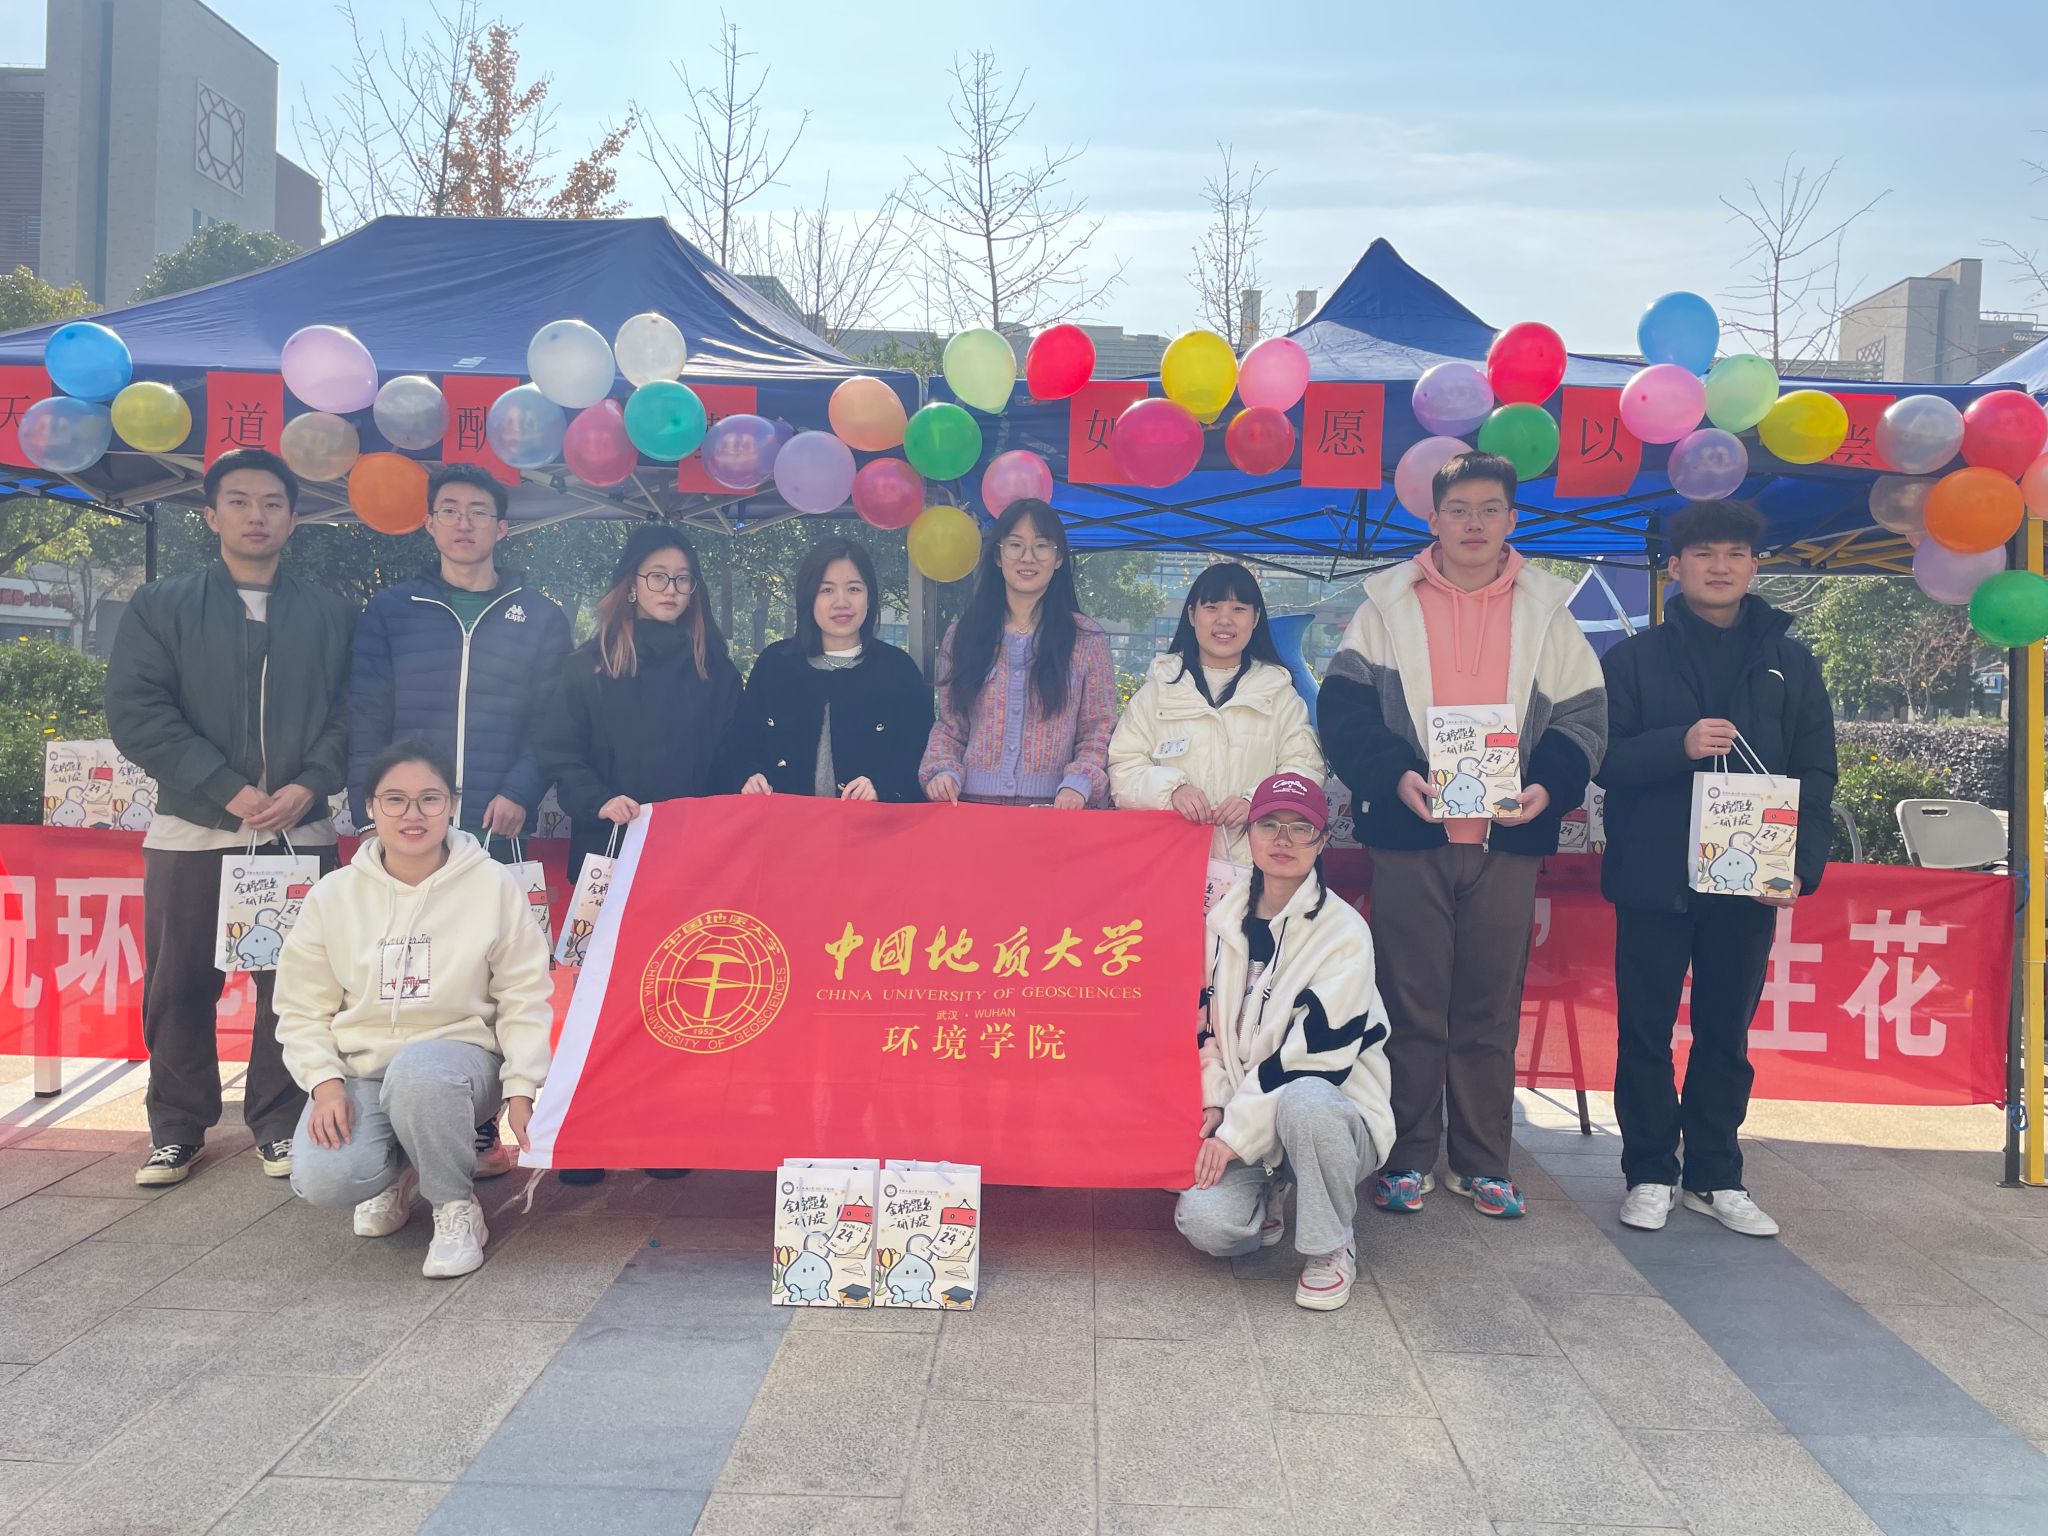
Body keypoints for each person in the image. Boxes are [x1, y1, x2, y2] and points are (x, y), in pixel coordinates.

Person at [1319, 451, 1606, 1220]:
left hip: (1506, 841)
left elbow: (1584, 715)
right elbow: (1342, 708)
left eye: (1489, 509)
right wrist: (1392, 775)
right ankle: (1407, 1156)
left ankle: (1482, 1162)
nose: (1473, 524)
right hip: (1410, 835)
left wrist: (1549, 786)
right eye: (1458, 510)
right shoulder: (1386, 605)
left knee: (1489, 1006)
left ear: (1512, 518)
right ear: (1433, 518)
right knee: (1408, 1002)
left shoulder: (1548, 610)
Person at [105, 448, 353, 1187]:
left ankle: (280, 1123)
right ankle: (177, 1128)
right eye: (239, 501)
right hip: (194, 831)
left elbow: (353, 713)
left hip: (297, 834)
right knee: (179, 984)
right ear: (211, 515)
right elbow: (138, 712)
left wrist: (310, 784)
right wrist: (224, 788)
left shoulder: (330, 613)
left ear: (294, 518)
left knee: (295, 987)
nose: (256, 515)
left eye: (272, 503)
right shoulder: (163, 605)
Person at [1596, 500, 1836, 1238]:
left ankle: (1715, 1174)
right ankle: (1648, 1171)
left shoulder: (1790, 662)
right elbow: (1604, 760)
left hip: (1749, 878)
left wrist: (1801, 865)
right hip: (1653, 875)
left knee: (1726, 1034)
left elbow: (1816, 770)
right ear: (1675, 567)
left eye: (1735, 553)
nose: (1720, 566)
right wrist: (1679, 744)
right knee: (1645, 1030)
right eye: (1704, 554)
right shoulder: (1633, 660)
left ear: (1754, 566)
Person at [347, 464, 568, 1179]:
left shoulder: (539, 615)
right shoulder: (394, 608)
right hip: (411, 824)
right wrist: (372, 806)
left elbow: (553, 720)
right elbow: (366, 714)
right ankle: (397, 1126)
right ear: (430, 523)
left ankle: (478, 1123)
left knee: (493, 973)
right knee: (408, 967)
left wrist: (521, 788)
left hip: (497, 823)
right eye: (449, 510)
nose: (464, 522)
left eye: (478, 511)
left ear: (502, 528)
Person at [276, 738, 553, 1278]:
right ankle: (403, 1171)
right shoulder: (334, 895)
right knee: (325, 1178)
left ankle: (455, 1207)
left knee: (420, 1074)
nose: (413, 814)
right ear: (370, 807)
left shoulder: (492, 885)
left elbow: (523, 994)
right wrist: (324, 1084)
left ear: (452, 804)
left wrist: (521, 1088)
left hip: (459, 1064)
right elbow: (301, 1006)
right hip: (366, 1070)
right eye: (395, 800)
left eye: (430, 799)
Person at [535, 524, 742, 1187]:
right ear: (629, 585)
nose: (670, 589)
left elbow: (731, 759)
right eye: (657, 576)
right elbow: (558, 752)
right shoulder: (586, 665)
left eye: (682, 578)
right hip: (607, 852)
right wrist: (598, 800)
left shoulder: (715, 670)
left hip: (687, 861)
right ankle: (586, 1135)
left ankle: (661, 1127)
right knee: (596, 997)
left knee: (671, 998)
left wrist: (736, 799)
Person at [1175, 773, 1394, 1311]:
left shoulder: (1344, 932)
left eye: (1301, 829)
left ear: (1323, 841)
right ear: (1249, 833)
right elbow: (1204, 1024)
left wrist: (1234, 1136)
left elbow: (1315, 1058)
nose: (1283, 839)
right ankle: (1273, 1186)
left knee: (1308, 1101)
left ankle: (1329, 1245)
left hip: (1332, 1116)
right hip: (1246, 1111)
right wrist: (1214, 1100)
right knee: (1206, 1226)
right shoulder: (1220, 921)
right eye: (1270, 824)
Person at [1108, 561, 1324, 873]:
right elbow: (1123, 768)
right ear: (1192, 615)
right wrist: (1171, 790)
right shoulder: (1157, 692)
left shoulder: (1279, 695)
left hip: (1255, 868)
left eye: (1238, 609)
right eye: (1211, 607)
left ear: (1256, 618)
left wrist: (1257, 802)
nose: (1224, 620)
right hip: (1170, 865)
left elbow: (1305, 769)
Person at [920, 499, 1115, 808]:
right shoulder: (963, 635)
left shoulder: (1085, 639)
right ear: (998, 555)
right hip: (972, 808)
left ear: (1058, 558)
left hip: (1055, 810)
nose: (1028, 557)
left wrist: (1080, 783)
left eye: (1041, 546)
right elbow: (951, 725)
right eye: (1015, 545)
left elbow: (1098, 729)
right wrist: (942, 771)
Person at [730, 537, 933, 802]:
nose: (841, 602)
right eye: (826, 590)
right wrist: (749, 776)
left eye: (854, 589)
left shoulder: (897, 670)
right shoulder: (775, 665)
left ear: (870, 597)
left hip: (870, 824)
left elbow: (921, 753)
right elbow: (740, 744)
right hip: (782, 823)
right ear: (808, 598)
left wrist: (882, 786)